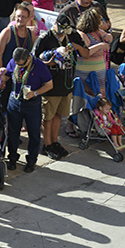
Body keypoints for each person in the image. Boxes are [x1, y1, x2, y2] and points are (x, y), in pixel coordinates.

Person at [33, 13, 89, 154]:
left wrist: (77, 47)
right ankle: (47, 145)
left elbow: (86, 54)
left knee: (59, 115)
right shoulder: (45, 38)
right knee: (48, 117)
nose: (64, 33)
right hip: (50, 85)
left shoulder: (73, 35)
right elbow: (33, 62)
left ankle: (55, 142)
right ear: (56, 23)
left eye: (66, 31)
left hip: (66, 84)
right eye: (62, 30)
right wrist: (48, 62)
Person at [0, 48, 53, 173]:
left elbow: (49, 85)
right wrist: (1, 75)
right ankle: (12, 158)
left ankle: (31, 160)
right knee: (12, 132)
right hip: (15, 100)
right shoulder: (13, 62)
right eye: (17, 64)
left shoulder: (39, 66)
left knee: (34, 133)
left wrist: (35, 93)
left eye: (22, 64)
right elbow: (7, 76)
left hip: (32, 103)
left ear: (29, 58)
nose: (19, 66)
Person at [0, 4, 38, 111]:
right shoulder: (7, 32)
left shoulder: (31, 35)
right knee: (3, 106)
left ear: (29, 18)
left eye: (23, 17)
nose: (20, 19)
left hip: (22, 77)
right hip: (8, 76)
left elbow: (34, 55)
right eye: (18, 16)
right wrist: (0, 78)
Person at [75, 8, 112, 95]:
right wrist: (100, 46)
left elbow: (109, 38)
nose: (101, 21)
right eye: (99, 19)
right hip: (85, 74)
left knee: (100, 100)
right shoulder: (81, 34)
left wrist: (108, 36)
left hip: (99, 74)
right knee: (86, 97)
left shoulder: (97, 31)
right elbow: (84, 53)